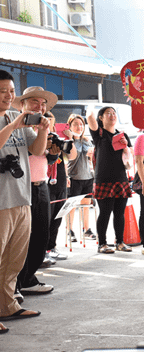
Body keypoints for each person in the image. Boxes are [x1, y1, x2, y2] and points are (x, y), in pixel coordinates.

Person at [0, 71, 49, 323]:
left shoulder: (15, 116)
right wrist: (13, 125)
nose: (8, 95)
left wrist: (43, 129)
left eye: (10, 90)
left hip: (22, 197)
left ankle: (7, 305)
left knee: (14, 259)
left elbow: (37, 150)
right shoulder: (13, 121)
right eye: (3, 91)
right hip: (1, 203)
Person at [14, 86, 59, 296]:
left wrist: (53, 150)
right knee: (20, 239)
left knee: (41, 235)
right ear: (22, 104)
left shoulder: (42, 125)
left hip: (42, 184)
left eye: (43, 104)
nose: (39, 107)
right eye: (34, 102)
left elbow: (40, 153)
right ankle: (15, 284)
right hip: (20, 187)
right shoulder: (15, 124)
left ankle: (28, 278)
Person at [87, 106, 133, 253]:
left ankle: (120, 242)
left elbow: (130, 154)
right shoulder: (99, 133)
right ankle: (102, 244)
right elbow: (89, 118)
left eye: (114, 113)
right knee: (105, 212)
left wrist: (126, 147)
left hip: (121, 178)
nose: (112, 115)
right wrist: (91, 108)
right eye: (108, 113)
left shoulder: (121, 135)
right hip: (103, 179)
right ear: (101, 118)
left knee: (119, 213)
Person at [63, 114, 96, 241]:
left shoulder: (86, 140)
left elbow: (90, 155)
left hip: (88, 177)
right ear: (70, 126)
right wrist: (71, 138)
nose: (79, 127)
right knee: (72, 205)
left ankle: (86, 230)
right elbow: (68, 159)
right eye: (75, 124)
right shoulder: (67, 141)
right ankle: (69, 230)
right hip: (74, 178)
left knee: (86, 205)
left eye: (81, 124)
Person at [45, 111, 70, 264]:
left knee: (58, 216)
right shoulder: (40, 138)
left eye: (51, 121)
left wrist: (67, 178)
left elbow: (67, 158)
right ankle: (44, 249)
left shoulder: (57, 138)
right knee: (46, 218)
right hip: (45, 182)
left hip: (60, 180)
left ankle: (52, 247)